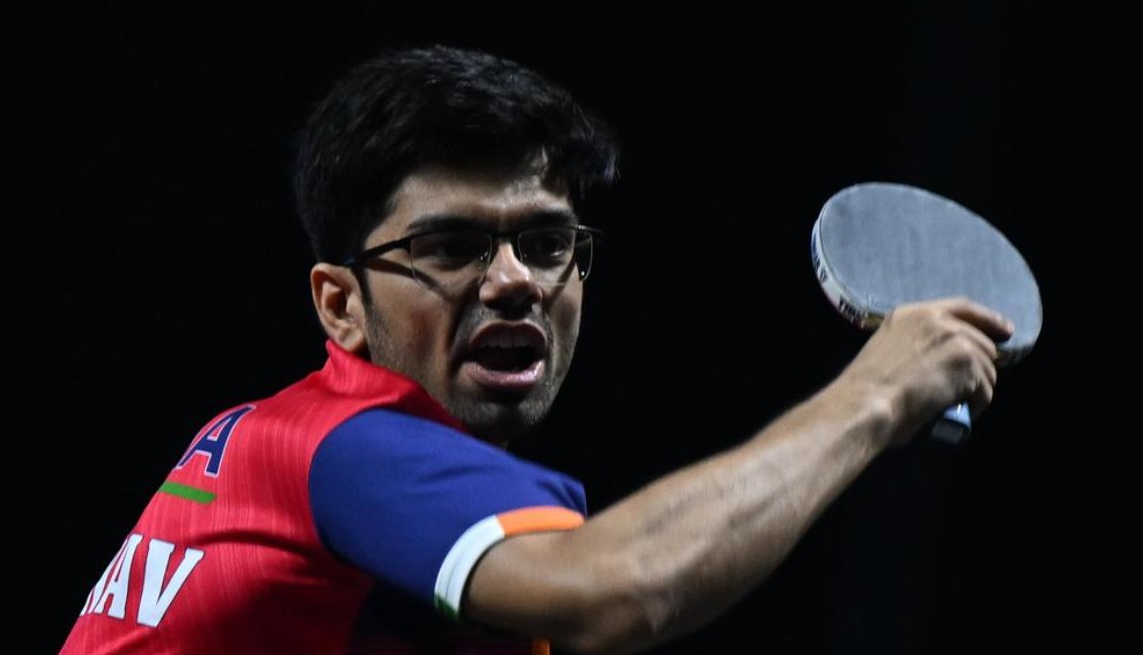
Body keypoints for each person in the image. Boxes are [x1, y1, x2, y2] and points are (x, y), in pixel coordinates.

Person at [58, 43, 1013, 655]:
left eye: (548, 243)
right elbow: (622, 588)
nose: (516, 280)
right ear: (340, 305)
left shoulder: (268, 449)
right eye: (451, 246)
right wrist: (874, 395)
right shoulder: (346, 450)